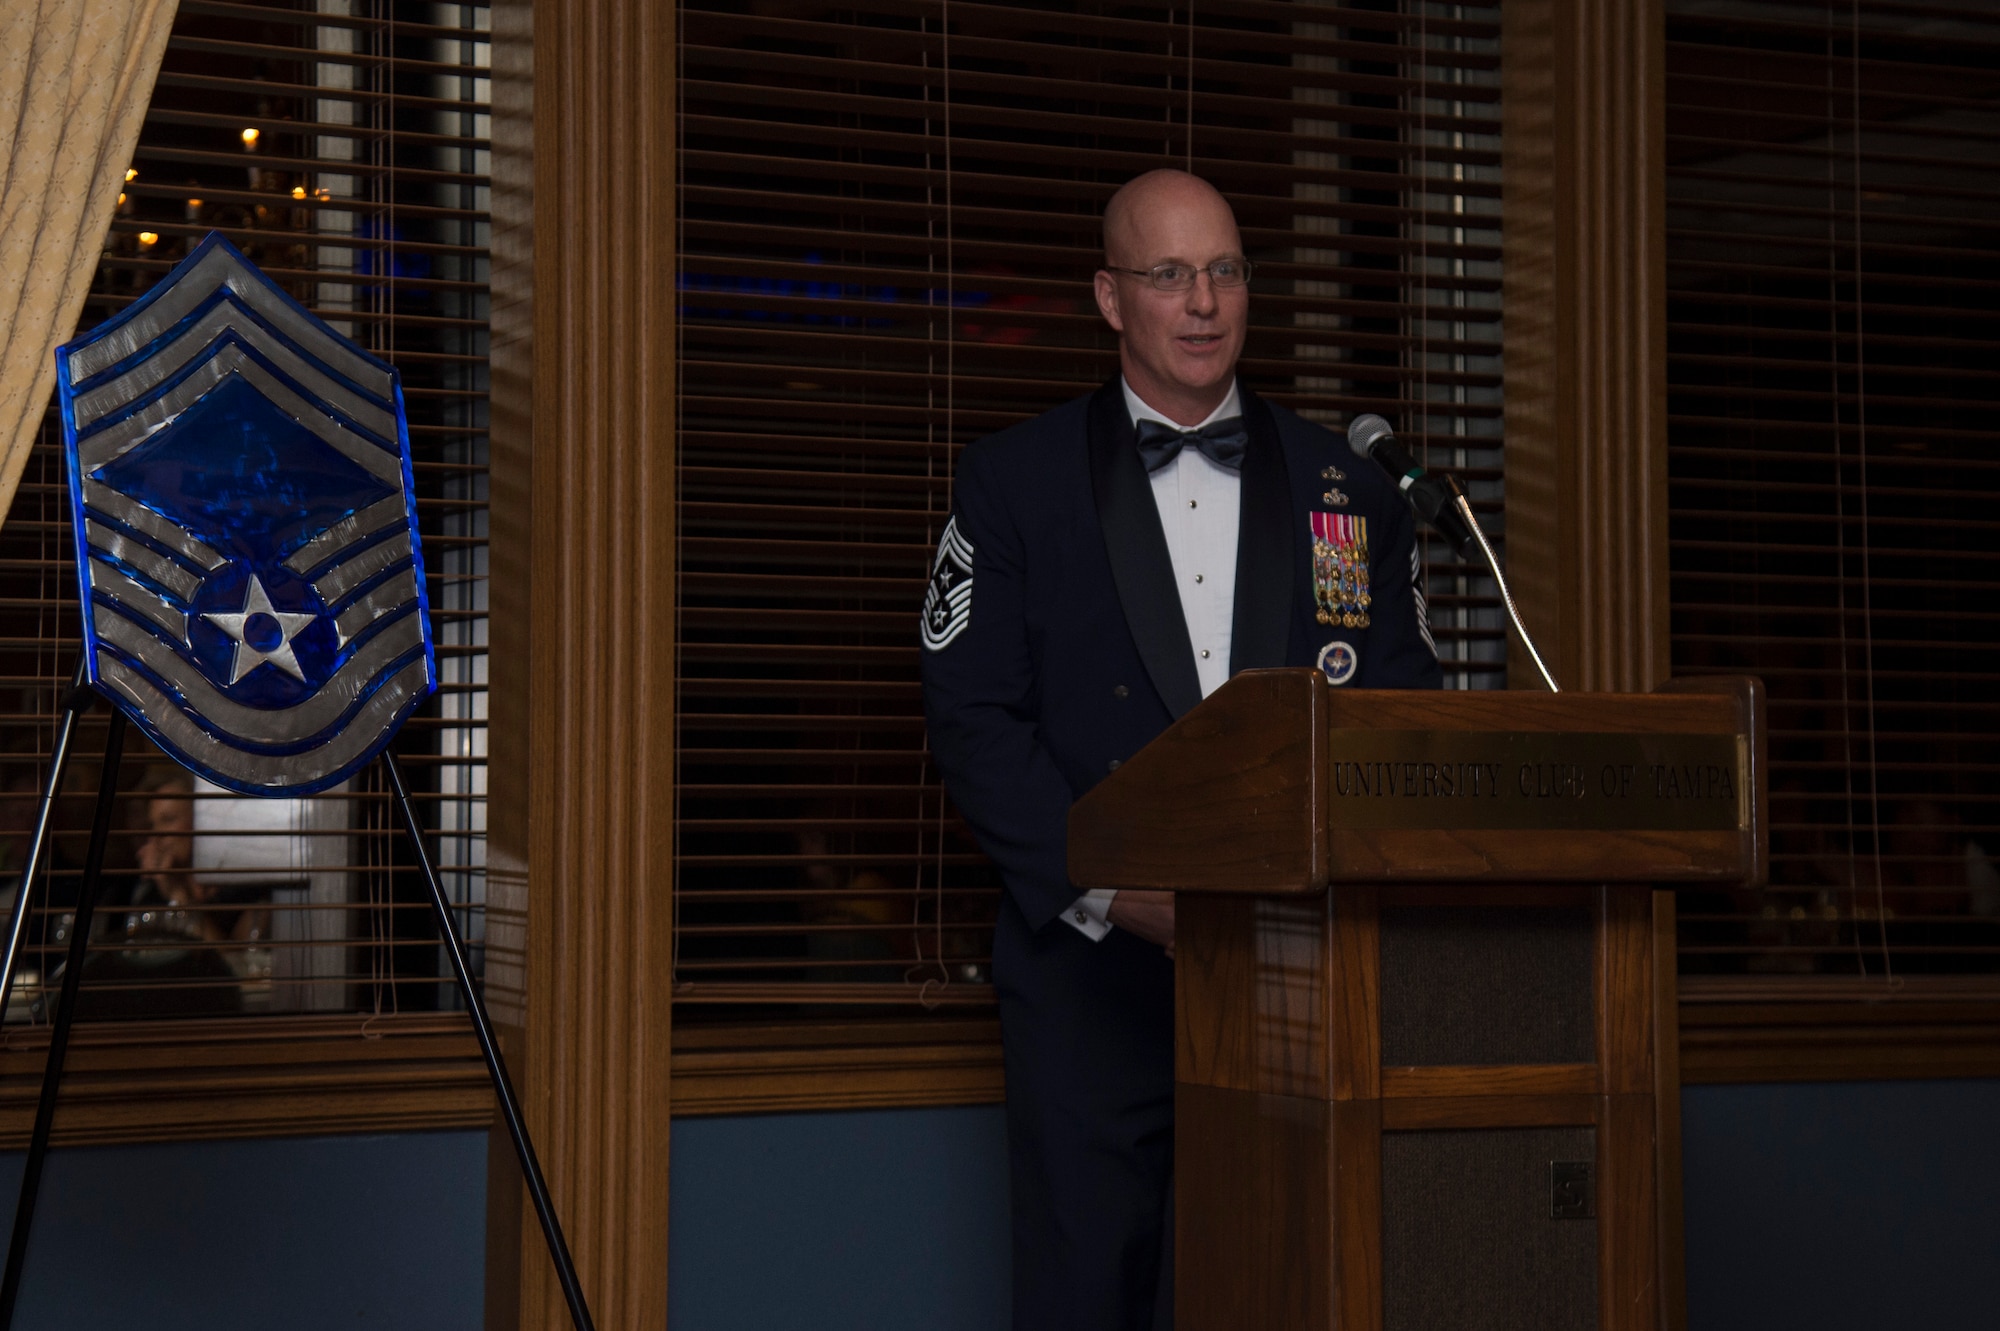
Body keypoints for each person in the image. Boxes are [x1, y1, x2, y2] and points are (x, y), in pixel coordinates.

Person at [919, 169, 1443, 1331]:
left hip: (1296, 984)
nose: (1201, 301)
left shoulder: (1346, 488)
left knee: (1282, 1288)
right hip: (1088, 986)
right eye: (1167, 275)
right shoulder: (1012, 482)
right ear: (1110, 299)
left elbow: (1396, 717)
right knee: (1086, 1297)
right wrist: (1108, 883)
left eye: (1223, 271)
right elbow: (972, 716)